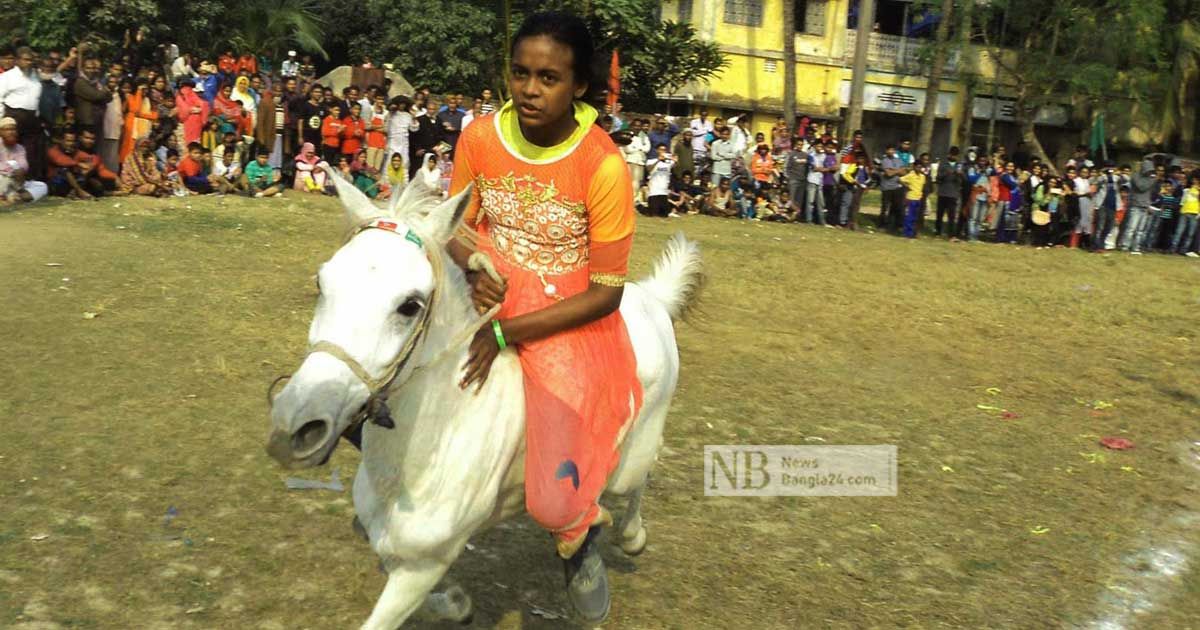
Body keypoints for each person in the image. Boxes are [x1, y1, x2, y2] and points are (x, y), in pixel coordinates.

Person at [446, 12, 646, 623]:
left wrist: (507, 331)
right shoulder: (479, 137)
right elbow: (453, 225)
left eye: (549, 78)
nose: (529, 90)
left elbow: (607, 292)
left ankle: (578, 534)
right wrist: (475, 259)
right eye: (520, 73)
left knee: (554, 493)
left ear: (579, 85)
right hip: (485, 287)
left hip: (565, 315)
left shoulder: (603, 165)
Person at [0, 47, 42, 180]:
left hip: (31, 117)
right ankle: (7, 179)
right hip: (13, 115)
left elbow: (36, 98)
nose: (29, 62)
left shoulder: (35, 77)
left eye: (31, 60)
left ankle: (27, 180)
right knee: (10, 149)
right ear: (17, 60)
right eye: (26, 60)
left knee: (30, 150)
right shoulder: (7, 77)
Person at [0, 116, 48, 205]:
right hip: (3, 179)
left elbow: (23, 165)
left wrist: (20, 171)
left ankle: (16, 198)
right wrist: (11, 171)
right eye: (7, 130)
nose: (11, 132)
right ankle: (10, 197)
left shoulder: (20, 148)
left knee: (42, 186)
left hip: (16, 182)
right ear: (1, 132)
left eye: (13, 129)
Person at [935, 147, 965, 238]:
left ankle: (951, 234)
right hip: (943, 192)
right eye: (952, 154)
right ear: (949, 154)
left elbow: (963, 179)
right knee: (940, 214)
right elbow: (938, 178)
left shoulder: (959, 165)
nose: (953, 157)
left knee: (951, 216)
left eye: (955, 155)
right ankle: (937, 232)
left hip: (953, 193)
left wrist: (960, 174)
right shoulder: (943, 164)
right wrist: (948, 173)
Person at [878, 144, 906, 230]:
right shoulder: (884, 161)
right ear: (886, 151)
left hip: (897, 186)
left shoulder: (898, 160)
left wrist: (894, 171)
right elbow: (888, 174)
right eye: (889, 150)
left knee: (898, 207)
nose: (891, 151)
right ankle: (882, 225)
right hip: (887, 187)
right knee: (885, 207)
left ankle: (896, 225)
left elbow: (904, 173)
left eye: (892, 150)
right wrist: (898, 170)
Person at [644, 143, 676, 218]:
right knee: (653, 213)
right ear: (657, 151)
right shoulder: (651, 161)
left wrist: (675, 160)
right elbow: (649, 169)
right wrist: (658, 160)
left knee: (664, 214)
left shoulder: (669, 162)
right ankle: (641, 206)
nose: (663, 151)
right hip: (654, 190)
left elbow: (674, 165)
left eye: (664, 150)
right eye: (661, 150)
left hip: (663, 191)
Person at [621, 118, 650, 198]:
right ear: (632, 126)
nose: (637, 128)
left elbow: (647, 148)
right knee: (630, 182)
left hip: (640, 162)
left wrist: (637, 148)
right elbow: (628, 149)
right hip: (631, 161)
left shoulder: (643, 137)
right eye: (635, 126)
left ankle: (634, 200)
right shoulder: (628, 136)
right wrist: (640, 148)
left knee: (638, 182)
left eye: (639, 126)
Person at [900, 162, 928, 238]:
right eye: (917, 167)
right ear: (914, 167)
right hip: (911, 198)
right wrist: (906, 186)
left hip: (918, 198)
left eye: (920, 167)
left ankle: (913, 232)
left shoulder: (922, 176)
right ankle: (907, 233)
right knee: (909, 216)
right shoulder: (911, 175)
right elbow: (900, 179)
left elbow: (922, 186)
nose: (918, 169)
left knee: (915, 217)